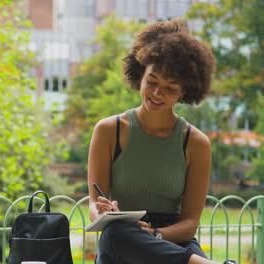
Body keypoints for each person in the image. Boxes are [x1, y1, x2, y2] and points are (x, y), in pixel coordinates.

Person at [87, 19, 237, 264]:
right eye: (152, 81)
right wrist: (102, 212)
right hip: (123, 239)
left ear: (184, 91)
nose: (157, 93)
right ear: (140, 74)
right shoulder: (108, 131)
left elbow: (189, 224)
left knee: (128, 237)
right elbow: (94, 205)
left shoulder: (196, 143)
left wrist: (156, 235)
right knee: (116, 233)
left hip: (174, 240)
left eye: (170, 87)